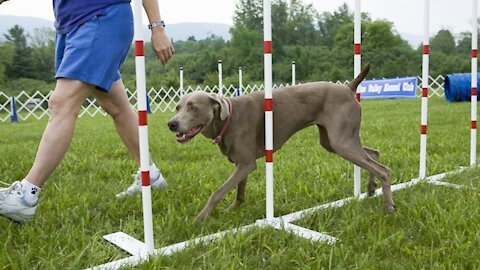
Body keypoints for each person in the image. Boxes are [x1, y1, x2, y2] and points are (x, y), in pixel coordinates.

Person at [0, 0, 174, 223]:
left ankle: (25, 197)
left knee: (61, 103)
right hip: (70, 25)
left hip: (101, 18)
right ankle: (151, 174)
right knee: (116, 106)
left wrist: (157, 26)